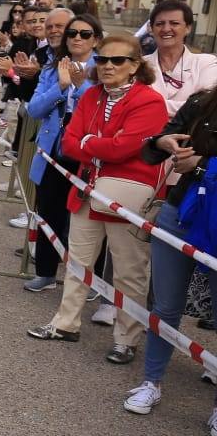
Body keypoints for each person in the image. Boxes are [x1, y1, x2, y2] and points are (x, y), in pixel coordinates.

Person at [27, 35, 167, 365]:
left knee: (129, 270)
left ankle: (126, 338)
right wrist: (101, 142)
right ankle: (65, 323)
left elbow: (127, 147)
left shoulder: (150, 101)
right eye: (102, 59)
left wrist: (93, 142)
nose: (107, 66)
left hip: (128, 194)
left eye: (117, 61)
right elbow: (69, 145)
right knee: (77, 261)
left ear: (135, 66)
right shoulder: (90, 97)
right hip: (87, 188)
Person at [134, 87, 217, 433]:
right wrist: (162, 143)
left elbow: (198, 164)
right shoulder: (203, 100)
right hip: (180, 211)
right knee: (165, 305)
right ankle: (151, 382)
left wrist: (201, 165)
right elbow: (152, 149)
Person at [22, 13, 102, 292]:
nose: (77, 38)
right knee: (49, 211)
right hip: (54, 150)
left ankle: (90, 282)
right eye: (72, 33)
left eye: (85, 34)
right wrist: (62, 85)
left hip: (87, 153)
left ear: (96, 40)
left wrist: (80, 87)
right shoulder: (52, 67)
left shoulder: (104, 69)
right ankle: (45, 272)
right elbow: (34, 109)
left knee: (88, 220)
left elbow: (102, 110)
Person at [142, 0, 217, 118]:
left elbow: (205, 104)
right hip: (145, 134)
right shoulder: (139, 64)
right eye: (160, 23)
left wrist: (147, 105)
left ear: (188, 28)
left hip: (189, 135)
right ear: (151, 29)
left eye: (174, 23)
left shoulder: (206, 63)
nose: (166, 29)